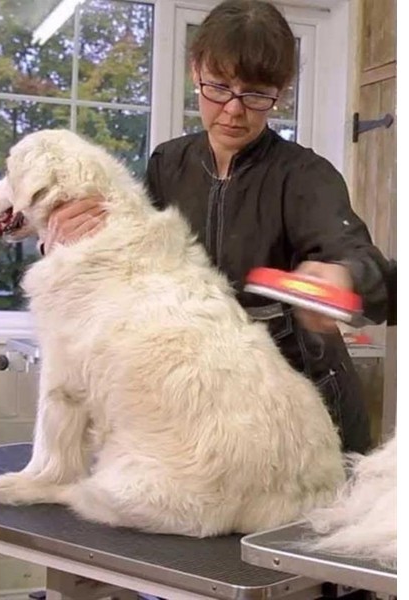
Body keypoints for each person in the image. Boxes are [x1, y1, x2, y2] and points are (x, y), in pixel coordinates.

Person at [42, 0, 391, 454]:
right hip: (205, 399)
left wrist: (345, 277)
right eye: (218, 87)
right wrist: (66, 246)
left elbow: (368, 266)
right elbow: (129, 266)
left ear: (282, 91)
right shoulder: (168, 164)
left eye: (256, 95)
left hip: (302, 405)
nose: (233, 110)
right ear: (195, 71)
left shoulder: (306, 177)